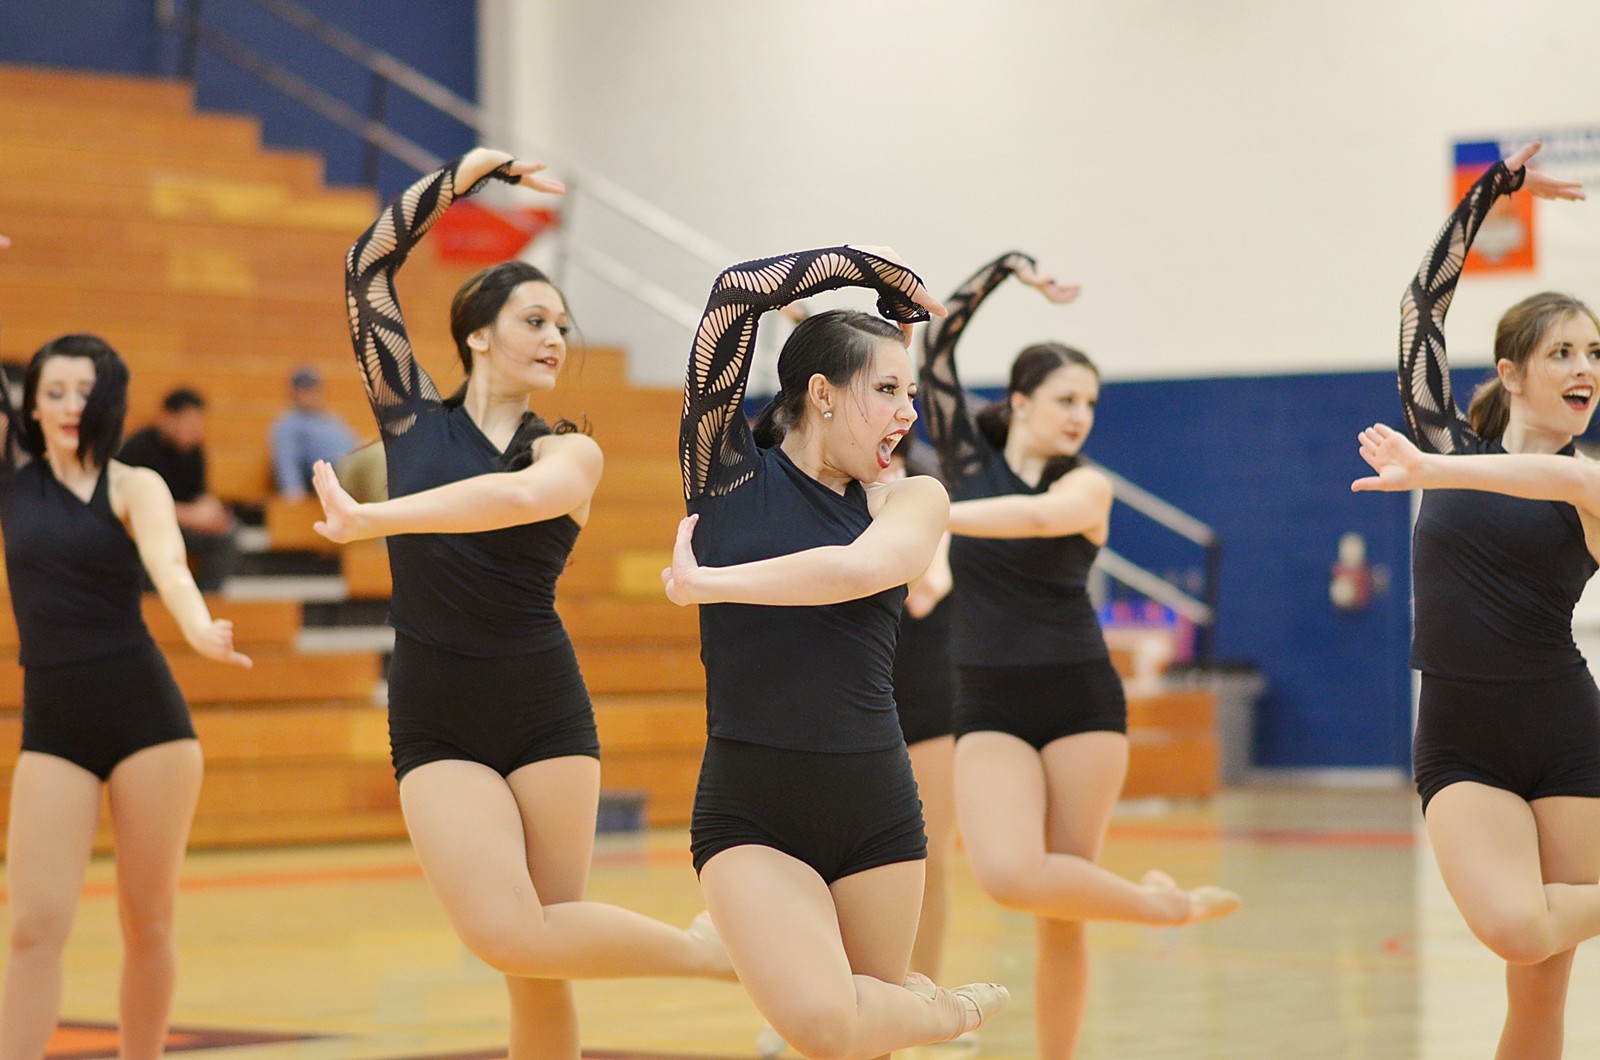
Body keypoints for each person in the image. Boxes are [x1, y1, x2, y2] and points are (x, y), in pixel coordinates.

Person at [311, 147, 732, 1060]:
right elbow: (366, 266)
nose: (554, 336)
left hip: (543, 710)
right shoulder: (412, 420)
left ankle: (717, 957)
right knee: (508, 935)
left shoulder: (568, 452)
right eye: (533, 317)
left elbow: (509, 502)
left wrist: (371, 516)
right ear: (475, 335)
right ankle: (718, 957)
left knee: (540, 963)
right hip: (435, 715)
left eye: (561, 323)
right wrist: (461, 179)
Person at [663, 244, 1008, 1059]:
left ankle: (915, 1012)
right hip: (750, 804)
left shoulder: (912, 498)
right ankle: (945, 1013)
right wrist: (858, 266)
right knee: (822, 1024)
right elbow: (735, 295)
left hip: (874, 806)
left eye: (911, 393)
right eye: (887, 389)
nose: (907, 411)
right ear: (820, 394)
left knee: (859, 1044)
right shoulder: (724, 474)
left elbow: (856, 571)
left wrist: (709, 583)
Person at [919, 251, 1239, 1058]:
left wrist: (924, 515)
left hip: (1081, 702)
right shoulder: (964, 461)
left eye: (1090, 403)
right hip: (986, 699)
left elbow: (1030, 522)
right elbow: (935, 348)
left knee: (1064, 914)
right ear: (1021, 401)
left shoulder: (1085, 487)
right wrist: (1008, 270)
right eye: (1065, 400)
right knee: (1006, 876)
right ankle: (1162, 907)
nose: (1079, 416)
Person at [1354, 140, 1600, 1060]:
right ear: (1509, 372)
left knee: (1539, 1000)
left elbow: (1547, 481)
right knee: (1514, 928)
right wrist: (1492, 191)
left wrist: (1437, 469)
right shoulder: (1445, 442)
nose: (1586, 367)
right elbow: (1424, 304)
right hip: (1461, 735)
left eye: (1596, 352)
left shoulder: (1590, 484)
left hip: (1567, 731)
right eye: (1563, 351)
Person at [0, 327, 251, 1060]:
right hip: (54, 724)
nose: (72, 405)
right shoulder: (13, 480)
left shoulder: (135, 483)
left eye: (87, 391)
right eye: (55, 392)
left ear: (109, 400)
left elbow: (170, 567)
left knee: (149, 922)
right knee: (32, 926)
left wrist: (200, 624)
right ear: (32, 404)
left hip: (148, 721)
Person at [118, 388, 238, 591]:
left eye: (199, 423)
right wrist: (192, 516)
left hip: (181, 525)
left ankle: (208, 602)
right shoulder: (138, 448)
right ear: (168, 418)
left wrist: (212, 512)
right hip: (143, 527)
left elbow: (200, 492)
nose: (196, 429)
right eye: (190, 422)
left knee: (227, 534)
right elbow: (135, 505)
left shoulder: (194, 450)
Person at [269, 365, 358, 500]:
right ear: (295, 392)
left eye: (315, 388)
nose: (313, 394)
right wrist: (293, 493)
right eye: (306, 389)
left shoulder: (332, 419)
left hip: (355, 464)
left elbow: (355, 445)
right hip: (333, 473)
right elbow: (287, 461)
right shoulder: (289, 424)